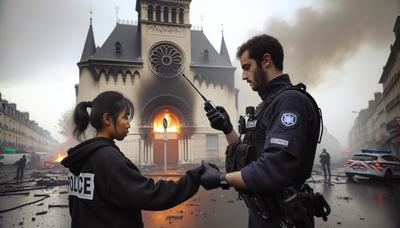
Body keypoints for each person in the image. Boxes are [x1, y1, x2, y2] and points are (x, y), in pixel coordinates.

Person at [200, 34, 324, 227]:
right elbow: (250, 157)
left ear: (266, 60)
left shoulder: (290, 102)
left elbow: (271, 170)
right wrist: (227, 128)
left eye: (246, 67)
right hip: (262, 216)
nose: (243, 76)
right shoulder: (268, 105)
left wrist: (221, 178)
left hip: (285, 220)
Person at [61, 91, 203, 228]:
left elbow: (75, 209)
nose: (128, 123)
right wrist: (195, 178)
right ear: (107, 119)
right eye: (125, 117)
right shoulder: (109, 160)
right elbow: (150, 195)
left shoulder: (78, 160)